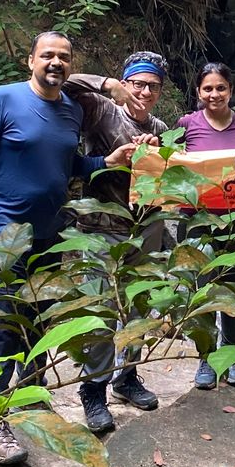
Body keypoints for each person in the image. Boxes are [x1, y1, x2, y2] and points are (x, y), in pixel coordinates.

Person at [0, 31, 136, 465]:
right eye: (47, 56)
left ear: (70, 64)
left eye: (63, 57)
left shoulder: (71, 112)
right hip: (4, 233)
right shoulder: (2, 99)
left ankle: (30, 393)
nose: (55, 63)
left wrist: (106, 162)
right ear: (30, 60)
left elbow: (68, 164)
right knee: (4, 324)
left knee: (39, 316)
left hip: (52, 234)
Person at [63, 53, 171, 434]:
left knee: (140, 304)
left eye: (152, 86)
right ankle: (93, 390)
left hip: (145, 228)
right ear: (126, 82)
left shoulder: (158, 126)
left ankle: (127, 376)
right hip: (101, 226)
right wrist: (110, 86)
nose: (144, 91)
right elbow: (65, 83)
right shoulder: (102, 110)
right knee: (103, 309)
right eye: (137, 83)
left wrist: (157, 151)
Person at [176, 63, 235, 391]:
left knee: (233, 289)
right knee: (202, 289)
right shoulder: (186, 125)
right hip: (197, 222)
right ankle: (206, 357)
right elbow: (172, 167)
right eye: (208, 89)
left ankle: (231, 356)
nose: (214, 95)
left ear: (231, 90)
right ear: (198, 93)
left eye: (221, 88)